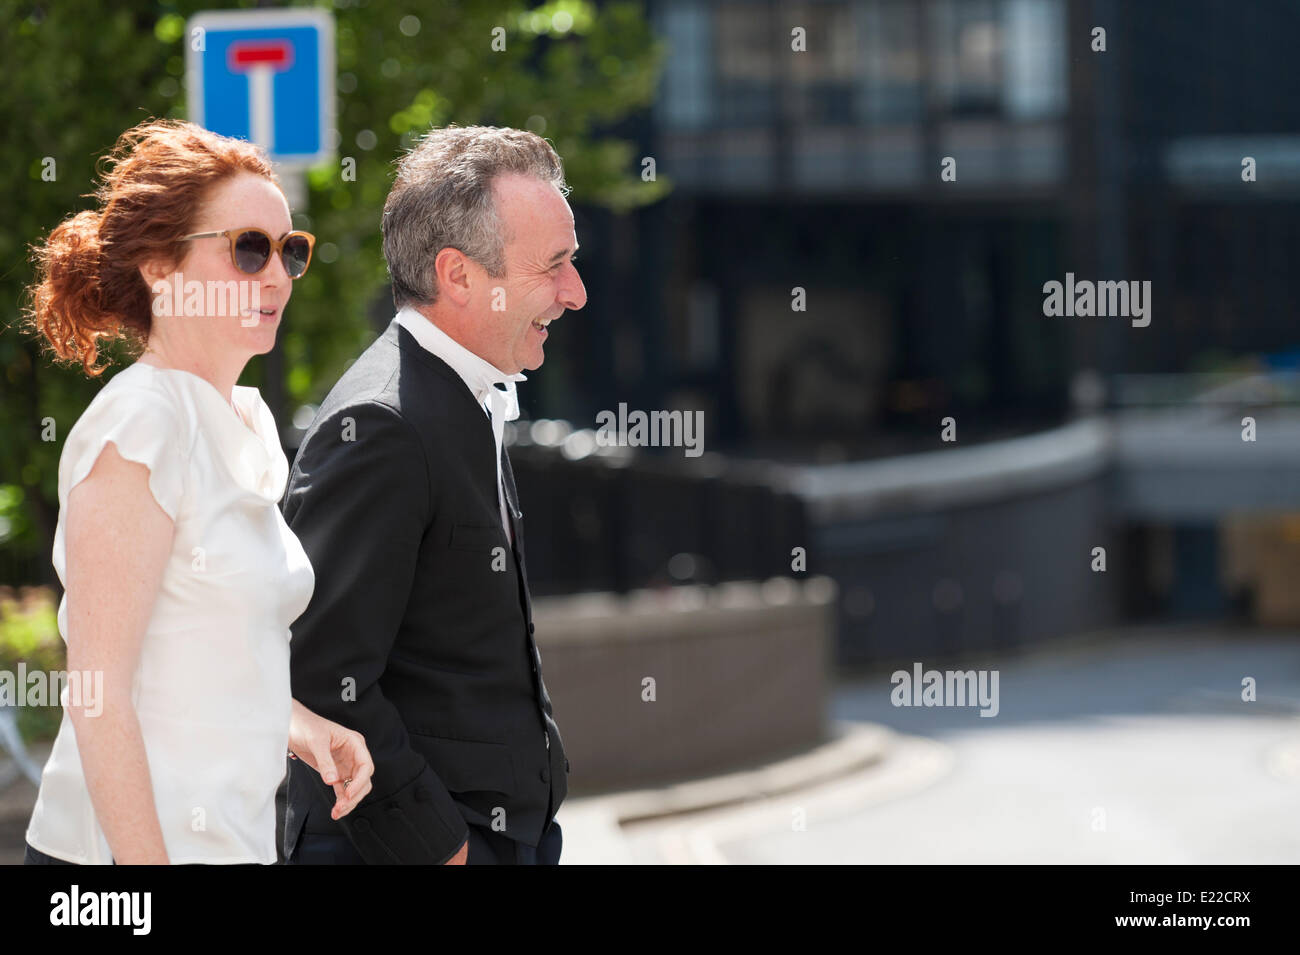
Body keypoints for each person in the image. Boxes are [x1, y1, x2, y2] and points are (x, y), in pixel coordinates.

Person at [19, 119, 374, 865]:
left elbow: (202, 654)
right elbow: (97, 692)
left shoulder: (242, 418)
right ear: (159, 267)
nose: (276, 274)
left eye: (291, 250)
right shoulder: (142, 421)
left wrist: (302, 726)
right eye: (249, 248)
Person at [282, 125, 584, 865]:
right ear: (458, 276)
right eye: (555, 266)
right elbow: (322, 674)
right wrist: (445, 848)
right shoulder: (381, 423)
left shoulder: (463, 388)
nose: (574, 293)